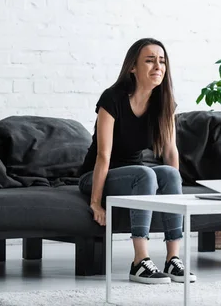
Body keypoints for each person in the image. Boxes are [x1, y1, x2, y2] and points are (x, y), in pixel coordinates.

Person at [77, 38, 196, 285]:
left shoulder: (163, 104)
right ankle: (139, 261)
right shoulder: (113, 99)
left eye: (162, 61)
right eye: (150, 60)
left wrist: (171, 196)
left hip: (133, 177)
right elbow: (103, 155)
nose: (158, 67)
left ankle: (173, 259)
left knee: (170, 173)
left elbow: (171, 152)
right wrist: (96, 203)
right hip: (97, 176)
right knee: (146, 174)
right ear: (133, 67)